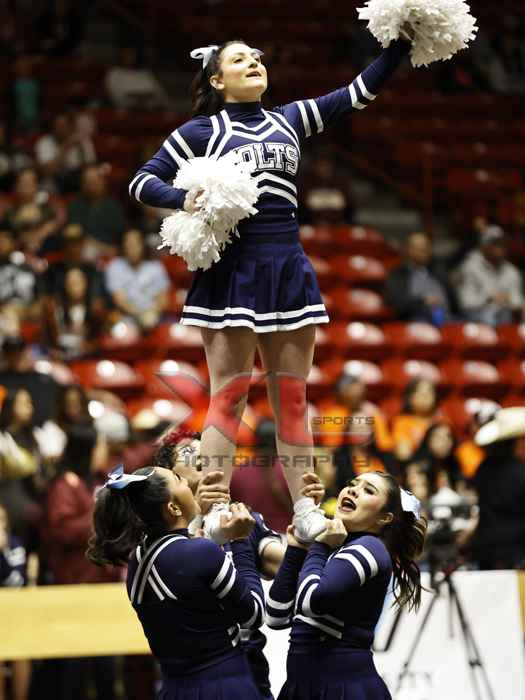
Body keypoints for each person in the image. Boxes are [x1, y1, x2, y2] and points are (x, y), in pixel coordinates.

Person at [129, 37, 412, 543]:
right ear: (218, 80)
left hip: (287, 268)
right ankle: (213, 508)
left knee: (294, 400)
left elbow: (357, 94)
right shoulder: (202, 130)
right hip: (233, 272)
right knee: (229, 397)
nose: (254, 62)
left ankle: (305, 509)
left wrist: (400, 46)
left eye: (257, 57)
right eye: (240, 59)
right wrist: (184, 199)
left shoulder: (290, 118)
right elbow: (141, 181)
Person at [87, 465, 265, 700]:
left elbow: (186, 578)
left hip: (174, 689)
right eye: (179, 479)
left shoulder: (138, 559)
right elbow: (254, 615)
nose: (188, 484)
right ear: (172, 507)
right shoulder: (199, 553)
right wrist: (241, 540)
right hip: (224, 685)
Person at [267, 472, 426, 699]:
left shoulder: (370, 548)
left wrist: (319, 546)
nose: (353, 490)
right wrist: (296, 550)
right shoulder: (337, 546)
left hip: (343, 688)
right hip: (304, 687)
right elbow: (276, 616)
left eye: (369, 490)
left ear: (384, 518)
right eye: (352, 484)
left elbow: (310, 602)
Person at [470, 407, 525, 569]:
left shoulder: (484, 467)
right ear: (519, 442)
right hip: (517, 555)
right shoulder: (520, 472)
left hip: (487, 552)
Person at [104, 228, 170, 332]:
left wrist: (152, 314)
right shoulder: (115, 266)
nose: (132, 248)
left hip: (155, 318)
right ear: (123, 246)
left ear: (142, 245)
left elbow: (163, 300)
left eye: (135, 243)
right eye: (129, 244)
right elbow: (120, 300)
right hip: (127, 319)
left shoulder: (156, 267)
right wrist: (141, 315)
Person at [456, 225, 524, 325]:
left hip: (506, 317)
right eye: (495, 244)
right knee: (488, 317)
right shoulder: (469, 268)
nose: (500, 248)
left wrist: (510, 300)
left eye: (502, 244)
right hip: (477, 319)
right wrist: (488, 298)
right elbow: (465, 304)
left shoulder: (511, 271)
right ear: (483, 247)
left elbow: (519, 302)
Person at [384, 231, 453, 325]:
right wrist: (422, 301)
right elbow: (397, 303)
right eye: (418, 247)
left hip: (447, 319)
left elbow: (453, 301)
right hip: (416, 321)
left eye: (426, 246)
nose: (423, 250)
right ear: (408, 250)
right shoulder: (398, 274)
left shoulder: (438, 271)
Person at [0, 502, 31, 700]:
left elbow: (16, 582)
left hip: (14, 613)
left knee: (21, 652)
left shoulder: (15, 545)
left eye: (1, 520)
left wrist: (1, 553)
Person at [35, 113, 96, 194]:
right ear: (53, 128)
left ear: (70, 126)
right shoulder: (44, 142)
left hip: (78, 180)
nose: (61, 129)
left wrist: (81, 150)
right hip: (54, 182)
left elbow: (90, 169)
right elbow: (47, 171)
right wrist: (66, 147)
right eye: (58, 126)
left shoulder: (82, 140)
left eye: (64, 126)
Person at [67, 165, 125, 251]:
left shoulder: (114, 206)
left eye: (95, 182)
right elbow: (72, 231)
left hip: (111, 253)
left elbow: (121, 236)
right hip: (84, 251)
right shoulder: (76, 206)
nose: (92, 186)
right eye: (88, 182)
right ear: (83, 184)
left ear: (103, 182)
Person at [391, 378, 440, 462]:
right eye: (420, 393)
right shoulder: (402, 422)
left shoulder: (441, 422)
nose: (425, 397)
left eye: (429, 392)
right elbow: (403, 454)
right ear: (410, 397)